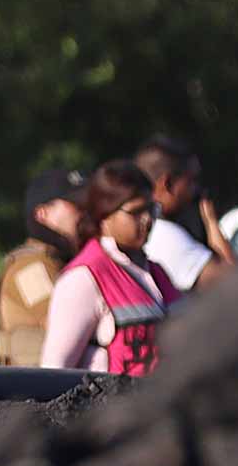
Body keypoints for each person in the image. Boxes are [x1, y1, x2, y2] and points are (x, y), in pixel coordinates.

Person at [40, 160, 178, 374]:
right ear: (104, 216)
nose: (148, 219)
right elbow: (53, 372)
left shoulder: (156, 273)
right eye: (135, 212)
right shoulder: (83, 279)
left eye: (151, 208)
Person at [0, 168, 87, 366]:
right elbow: (65, 323)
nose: (85, 212)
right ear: (42, 214)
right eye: (76, 204)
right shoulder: (30, 268)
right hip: (35, 391)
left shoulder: (62, 260)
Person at [134, 135, 238, 291]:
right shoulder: (167, 236)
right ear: (167, 184)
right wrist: (211, 224)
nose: (197, 190)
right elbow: (237, 283)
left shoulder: (146, 231)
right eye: (192, 180)